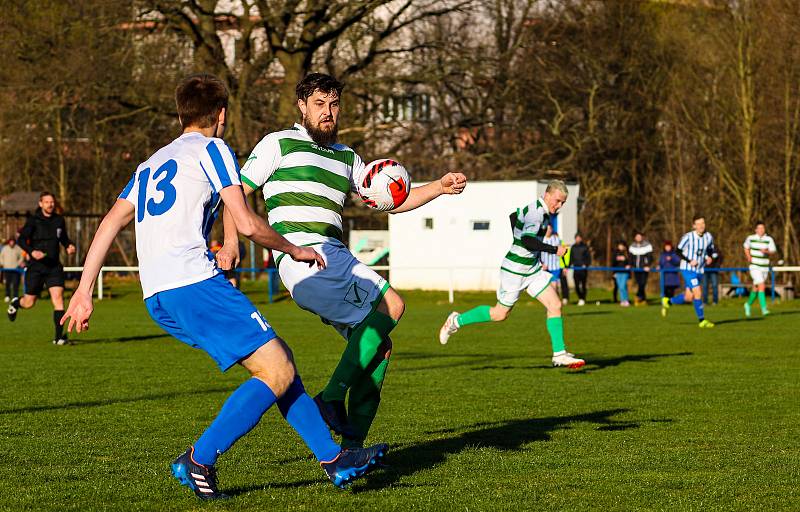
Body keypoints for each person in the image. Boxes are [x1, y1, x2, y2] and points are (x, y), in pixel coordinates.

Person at [60, 73, 386, 500]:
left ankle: (332, 460)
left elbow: (108, 224)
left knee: (277, 362)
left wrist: (83, 291)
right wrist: (295, 249)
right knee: (277, 369)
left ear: (181, 113)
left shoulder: (151, 163)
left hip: (158, 293)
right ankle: (199, 458)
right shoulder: (214, 149)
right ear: (221, 114)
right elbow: (248, 222)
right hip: (193, 281)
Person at [232, 72, 467, 449]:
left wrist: (438, 187)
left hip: (333, 256)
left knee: (378, 347)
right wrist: (231, 243)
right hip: (305, 255)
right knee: (392, 304)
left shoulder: (347, 157)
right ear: (302, 106)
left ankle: (354, 447)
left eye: (334, 104)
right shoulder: (279, 144)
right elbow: (236, 194)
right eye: (320, 104)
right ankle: (329, 398)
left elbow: (391, 202)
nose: (328, 112)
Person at [438, 180, 586, 369]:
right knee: (500, 314)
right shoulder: (537, 214)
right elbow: (527, 240)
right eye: (557, 201)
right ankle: (456, 321)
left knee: (555, 304)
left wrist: (523, 245)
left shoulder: (538, 210)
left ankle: (559, 354)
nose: (559, 206)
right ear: (547, 195)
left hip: (531, 269)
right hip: (515, 271)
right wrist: (553, 249)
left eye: (563, 203)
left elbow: (512, 217)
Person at [7, 191, 76, 345]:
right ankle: (16, 303)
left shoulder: (59, 220)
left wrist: (68, 245)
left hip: (54, 267)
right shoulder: (33, 220)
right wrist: (32, 252)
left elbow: (63, 237)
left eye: (52, 202)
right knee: (30, 303)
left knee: (58, 300)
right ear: (40, 204)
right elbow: (21, 240)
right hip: (36, 267)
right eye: (46, 202)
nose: (50, 204)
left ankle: (58, 338)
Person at [660, 215, 716, 327]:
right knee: (698, 292)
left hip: (700, 269)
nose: (701, 226)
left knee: (688, 297)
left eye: (703, 223)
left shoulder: (708, 236)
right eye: (698, 224)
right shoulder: (688, 237)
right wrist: (689, 260)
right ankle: (702, 321)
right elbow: (678, 251)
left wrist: (709, 257)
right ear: (694, 226)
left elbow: (710, 248)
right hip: (687, 269)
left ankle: (668, 301)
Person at [743, 221, 777, 317]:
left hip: (764, 267)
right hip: (754, 266)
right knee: (762, 285)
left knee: (756, 288)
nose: (761, 230)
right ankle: (764, 308)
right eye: (759, 228)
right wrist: (748, 256)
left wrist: (766, 251)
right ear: (756, 229)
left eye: (763, 228)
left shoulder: (769, 239)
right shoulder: (751, 238)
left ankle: (748, 304)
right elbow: (746, 247)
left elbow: (773, 251)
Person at [541, 225, 567, 303]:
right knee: (548, 289)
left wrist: (565, 266)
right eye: (547, 229)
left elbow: (562, 253)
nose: (548, 231)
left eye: (549, 229)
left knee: (554, 287)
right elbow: (537, 253)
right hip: (545, 268)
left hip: (555, 267)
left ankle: (556, 303)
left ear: (552, 229)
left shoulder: (556, 239)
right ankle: (552, 304)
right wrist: (541, 264)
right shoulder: (541, 240)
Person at [629, 231, 653, 305]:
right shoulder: (632, 246)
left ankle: (638, 296)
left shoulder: (647, 245)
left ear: (642, 237)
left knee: (643, 283)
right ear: (635, 238)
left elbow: (649, 257)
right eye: (637, 236)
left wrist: (647, 265)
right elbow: (631, 258)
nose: (638, 238)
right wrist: (630, 265)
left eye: (640, 236)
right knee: (639, 283)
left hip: (644, 268)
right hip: (636, 268)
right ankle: (643, 299)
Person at [570, 233, 591, 306]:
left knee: (583, 285)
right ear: (575, 238)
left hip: (583, 269)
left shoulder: (585, 247)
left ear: (581, 238)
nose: (578, 239)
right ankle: (580, 298)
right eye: (577, 238)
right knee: (576, 286)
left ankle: (583, 299)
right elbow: (571, 257)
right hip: (576, 269)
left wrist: (586, 264)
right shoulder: (573, 247)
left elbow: (588, 257)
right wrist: (569, 265)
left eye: (579, 237)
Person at [612, 241, 630, 307]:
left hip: (625, 272)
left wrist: (628, 264)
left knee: (623, 286)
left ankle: (626, 300)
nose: (620, 247)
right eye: (619, 245)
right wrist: (614, 273)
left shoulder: (627, 253)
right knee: (620, 287)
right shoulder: (615, 253)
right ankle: (622, 300)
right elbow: (613, 263)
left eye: (622, 246)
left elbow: (630, 261)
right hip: (617, 272)